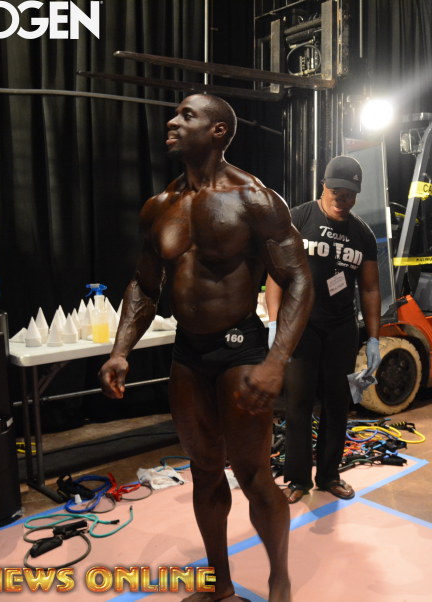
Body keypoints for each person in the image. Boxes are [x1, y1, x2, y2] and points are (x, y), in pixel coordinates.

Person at [98, 94, 313, 602]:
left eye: (187, 115)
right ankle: (220, 585)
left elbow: (299, 279)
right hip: (188, 355)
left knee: (254, 476)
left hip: (240, 351)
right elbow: (144, 284)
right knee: (204, 472)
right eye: (175, 114)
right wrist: (121, 349)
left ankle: (279, 581)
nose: (172, 121)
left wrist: (276, 361)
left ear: (218, 131)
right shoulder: (160, 206)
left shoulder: (255, 199)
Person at [265, 155, 382, 505]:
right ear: (323, 186)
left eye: (349, 195)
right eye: (335, 192)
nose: (341, 200)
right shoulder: (298, 219)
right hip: (300, 327)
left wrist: (373, 338)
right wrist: (274, 324)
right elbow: (276, 276)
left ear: (357, 194)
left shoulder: (363, 234)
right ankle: (298, 478)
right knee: (298, 404)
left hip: (341, 328)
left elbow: (370, 289)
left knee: (337, 404)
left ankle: (329, 475)